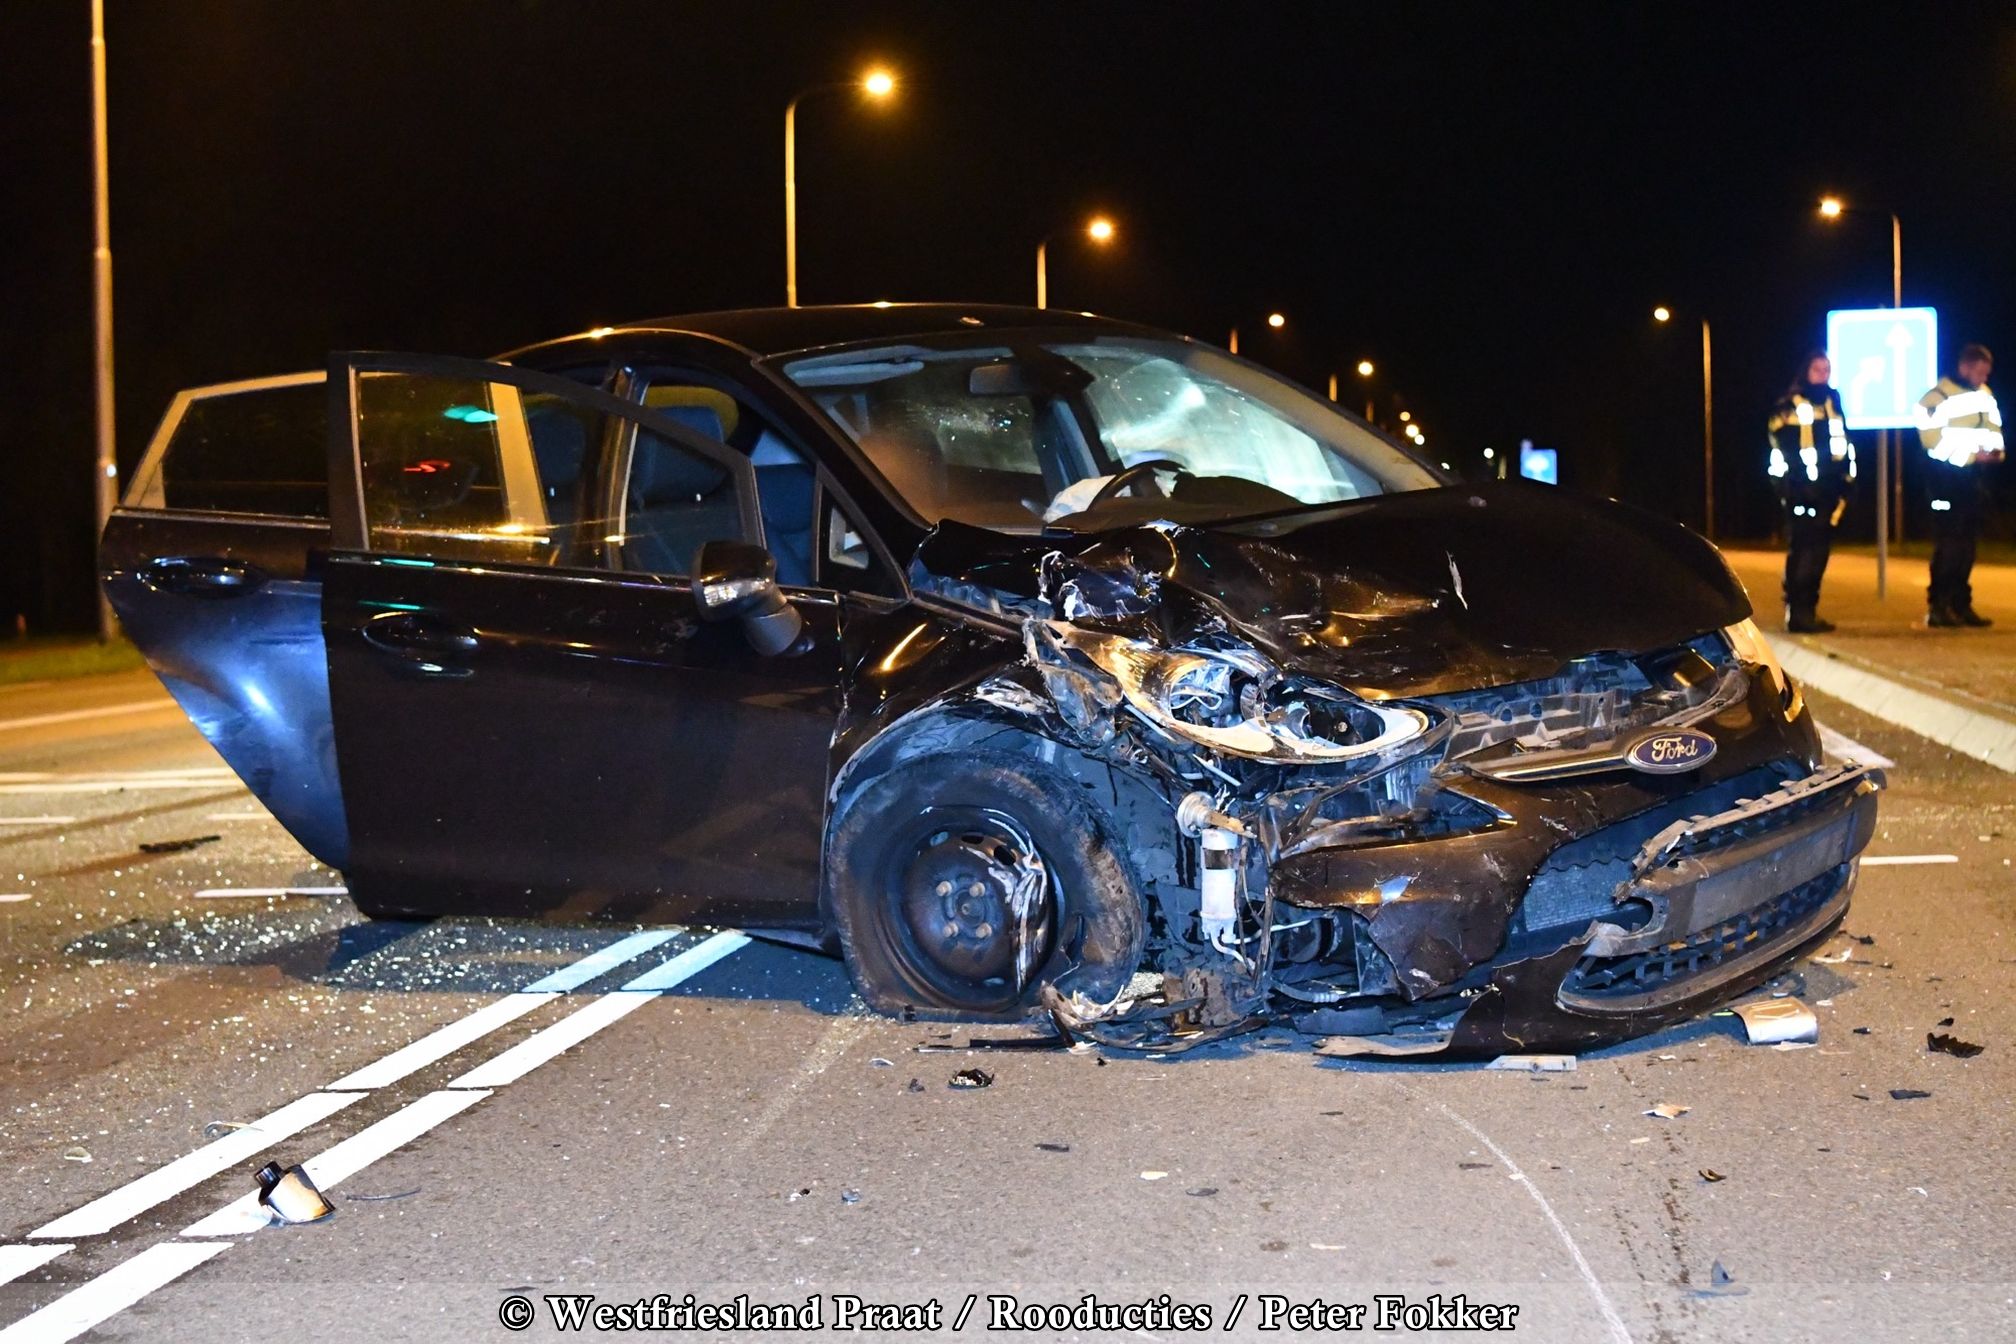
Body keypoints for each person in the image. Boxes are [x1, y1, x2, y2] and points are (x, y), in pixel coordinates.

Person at [1915, 343, 2003, 628]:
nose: (1983, 379)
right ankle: (1937, 606)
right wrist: (1970, 455)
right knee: (1949, 545)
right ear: (1964, 367)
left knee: (1968, 546)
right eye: (1980, 372)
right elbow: (1931, 443)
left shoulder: (1985, 396)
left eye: (1986, 374)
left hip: (1974, 481)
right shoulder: (1934, 399)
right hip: (1943, 480)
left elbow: (1994, 431)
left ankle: (1961, 605)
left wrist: (1995, 453)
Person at [1767, 350, 1855, 633]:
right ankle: (1798, 612)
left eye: (1827, 369)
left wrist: (1847, 480)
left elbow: (1844, 444)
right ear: (1806, 370)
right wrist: (1798, 486)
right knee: (1803, 550)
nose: (1823, 374)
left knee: (1819, 552)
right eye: (1818, 369)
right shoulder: (1788, 405)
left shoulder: (1833, 403)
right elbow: (1783, 446)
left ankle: (1809, 611)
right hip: (1800, 491)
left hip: (1829, 490)